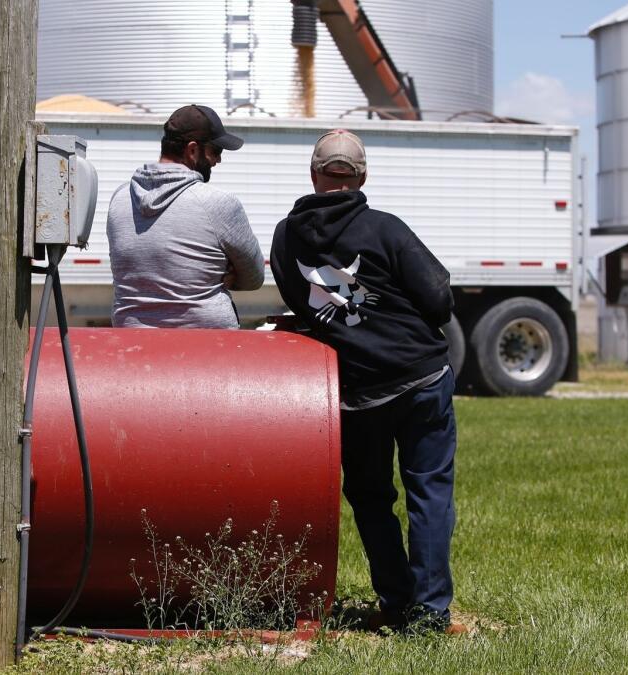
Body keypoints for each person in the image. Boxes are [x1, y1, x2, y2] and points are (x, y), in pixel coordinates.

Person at [269, 129, 464, 635]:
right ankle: (429, 614)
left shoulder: (286, 238)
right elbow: (439, 298)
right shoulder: (384, 228)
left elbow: (302, 304)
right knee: (429, 494)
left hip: (355, 394)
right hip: (420, 378)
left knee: (372, 499)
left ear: (313, 176)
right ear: (360, 178)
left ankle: (397, 604)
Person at [106, 104, 264, 328]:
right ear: (192, 150)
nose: (218, 160)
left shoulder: (120, 199)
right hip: (209, 349)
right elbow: (254, 277)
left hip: (133, 343)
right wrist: (225, 273)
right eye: (216, 151)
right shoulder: (219, 203)